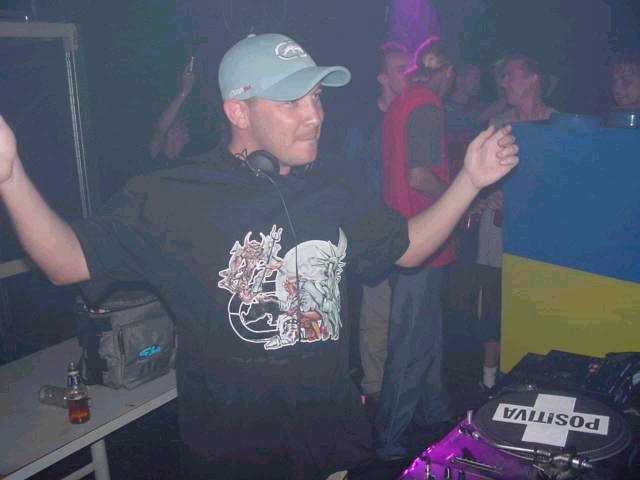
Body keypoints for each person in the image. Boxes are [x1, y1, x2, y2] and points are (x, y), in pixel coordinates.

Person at [0, 33, 518, 479]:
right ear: (238, 111)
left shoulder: (336, 184)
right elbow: (66, 261)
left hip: (330, 446)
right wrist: (11, 175)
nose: (315, 115)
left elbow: (407, 248)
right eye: (292, 101)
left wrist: (469, 181)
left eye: (317, 97)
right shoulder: (173, 194)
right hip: (234, 457)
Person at [375, 36, 457, 462]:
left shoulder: (403, 101)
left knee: (427, 335)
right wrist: (459, 197)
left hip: (409, 235)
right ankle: (389, 440)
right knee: (409, 343)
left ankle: (436, 412)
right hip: (420, 239)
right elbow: (419, 175)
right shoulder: (426, 103)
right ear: (449, 72)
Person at [476, 54, 556, 391]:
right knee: (494, 307)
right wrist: (487, 192)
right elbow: (475, 176)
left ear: (533, 79)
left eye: (509, 76)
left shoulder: (558, 124)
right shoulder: (498, 125)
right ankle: (488, 383)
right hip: (498, 231)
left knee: (534, 302)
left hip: (540, 236)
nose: (503, 83)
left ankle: (532, 381)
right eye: (502, 77)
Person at [342, 41, 410, 416]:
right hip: (375, 231)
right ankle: (375, 387)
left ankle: (403, 384)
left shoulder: (415, 117)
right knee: (377, 312)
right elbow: (348, 179)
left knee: (409, 312)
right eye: (401, 69)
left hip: (412, 227)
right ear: (382, 78)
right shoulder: (365, 124)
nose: (409, 75)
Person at [148, 57, 196, 166]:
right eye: (183, 130)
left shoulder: (185, 165)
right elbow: (160, 129)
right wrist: (184, 92)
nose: (187, 138)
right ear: (170, 133)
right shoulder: (156, 160)